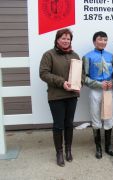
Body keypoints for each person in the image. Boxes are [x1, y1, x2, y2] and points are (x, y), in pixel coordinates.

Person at [39, 28, 83, 167]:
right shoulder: (49, 55)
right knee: (58, 125)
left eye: (68, 39)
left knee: (69, 124)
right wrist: (62, 83)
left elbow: (82, 73)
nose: (65, 41)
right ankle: (59, 152)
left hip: (72, 95)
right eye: (63, 38)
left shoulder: (75, 55)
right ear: (57, 40)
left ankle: (68, 150)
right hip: (56, 96)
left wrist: (79, 83)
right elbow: (44, 73)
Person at [82, 31, 113, 159]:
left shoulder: (111, 56)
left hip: (108, 90)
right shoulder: (87, 57)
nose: (103, 42)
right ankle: (98, 148)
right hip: (95, 91)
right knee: (95, 117)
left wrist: (112, 82)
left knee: (109, 118)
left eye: (105, 40)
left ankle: (108, 147)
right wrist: (98, 84)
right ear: (94, 41)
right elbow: (84, 78)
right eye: (100, 39)